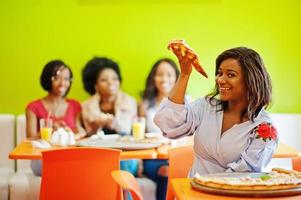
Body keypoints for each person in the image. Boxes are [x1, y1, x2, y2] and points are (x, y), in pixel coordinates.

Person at [154, 46, 278, 177]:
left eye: (230, 74)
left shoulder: (264, 128)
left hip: (232, 195)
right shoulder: (206, 106)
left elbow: (247, 174)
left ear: (251, 80)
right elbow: (169, 124)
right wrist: (184, 74)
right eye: (220, 73)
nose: (220, 80)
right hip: (194, 192)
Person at [26, 60, 86, 176]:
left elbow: (81, 131)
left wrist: (71, 132)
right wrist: (51, 128)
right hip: (42, 159)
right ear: (47, 78)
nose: (63, 83)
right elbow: (29, 138)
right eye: (57, 78)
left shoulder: (75, 105)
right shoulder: (33, 107)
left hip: (70, 158)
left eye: (67, 79)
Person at [81, 57, 140, 175]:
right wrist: (95, 126)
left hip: (125, 152)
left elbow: (129, 130)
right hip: (97, 153)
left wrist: (112, 123)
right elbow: (88, 134)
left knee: (123, 165)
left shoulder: (130, 101)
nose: (111, 83)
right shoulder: (87, 105)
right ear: (96, 85)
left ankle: (123, 193)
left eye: (115, 79)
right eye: (104, 80)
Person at [138, 58, 179, 200]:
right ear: (153, 78)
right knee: (166, 171)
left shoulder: (186, 102)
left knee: (172, 168)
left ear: (177, 78)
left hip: (176, 155)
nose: (164, 79)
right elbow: (138, 135)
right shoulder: (145, 104)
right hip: (153, 159)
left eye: (169, 75)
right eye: (159, 74)